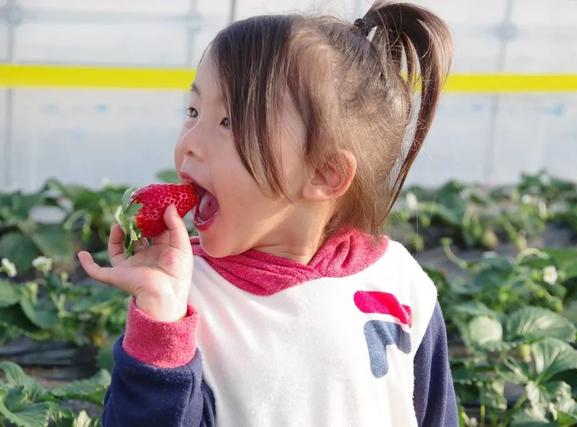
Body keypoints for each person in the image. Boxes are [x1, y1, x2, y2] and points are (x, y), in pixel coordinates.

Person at [77, 0, 457, 425]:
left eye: (229, 122)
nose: (189, 142)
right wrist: (161, 320)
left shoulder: (401, 285)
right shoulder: (187, 301)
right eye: (194, 111)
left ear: (325, 173)